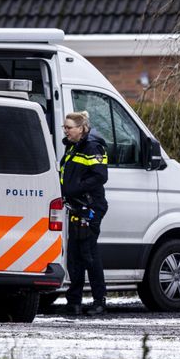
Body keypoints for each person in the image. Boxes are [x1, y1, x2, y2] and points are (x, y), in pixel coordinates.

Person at [60, 111, 109, 316]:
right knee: (75, 257)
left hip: (90, 208)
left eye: (69, 127)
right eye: (65, 127)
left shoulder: (93, 147)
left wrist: (75, 188)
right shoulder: (72, 147)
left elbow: (100, 177)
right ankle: (74, 302)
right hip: (76, 208)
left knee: (89, 255)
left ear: (81, 128)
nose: (66, 131)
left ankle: (99, 301)